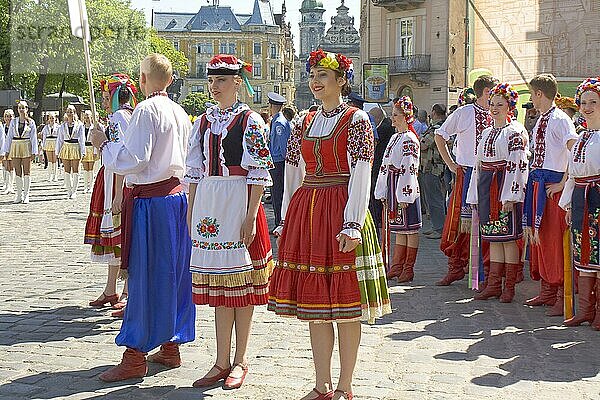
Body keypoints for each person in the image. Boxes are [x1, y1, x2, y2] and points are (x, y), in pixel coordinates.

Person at [268, 49, 391, 400]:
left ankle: (345, 386)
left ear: (341, 80)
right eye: (313, 75)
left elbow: (362, 171)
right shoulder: (303, 121)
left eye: (323, 75)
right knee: (317, 309)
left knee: (345, 304)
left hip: (340, 209)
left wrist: (353, 222)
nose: (315, 81)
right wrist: (286, 218)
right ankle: (321, 384)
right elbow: (293, 172)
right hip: (308, 211)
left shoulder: (356, 120)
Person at [89, 53, 195, 382]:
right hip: (177, 200)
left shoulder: (146, 110)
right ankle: (170, 343)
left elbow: (135, 159)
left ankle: (135, 353)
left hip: (153, 202)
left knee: (146, 277)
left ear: (143, 77)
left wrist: (103, 145)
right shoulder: (180, 112)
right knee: (173, 274)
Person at [186, 54, 274, 390]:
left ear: (237, 83)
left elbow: (258, 173)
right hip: (210, 205)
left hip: (237, 203)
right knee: (221, 290)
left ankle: (240, 359)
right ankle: (220, 360)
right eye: (211, 80)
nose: (214, 86)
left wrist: (251, 217)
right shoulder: (203, 122)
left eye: (221, 80)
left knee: (242, 290)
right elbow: (194, 173)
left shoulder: (249, 120)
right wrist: (191, 212)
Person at [466, 83, 529, 303]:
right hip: (487, 185)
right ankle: (493, 284)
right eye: (492, 104)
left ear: (509, 107)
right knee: (493, 237)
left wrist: (511, 196)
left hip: (503, 184)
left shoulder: (515, 132)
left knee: (508, 238)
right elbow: (478, 164)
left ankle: (508, 286)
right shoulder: (486, 132)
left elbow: (518, 164)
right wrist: (474, 194)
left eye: (499, 104)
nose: (494, 108)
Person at [434, 75, 498, 286]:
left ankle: (489, 270)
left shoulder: (499, 114)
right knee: (462, 223)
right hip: (468, 172)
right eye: (491, 92)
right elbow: (440, 135)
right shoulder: (464, 112)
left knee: (491, 220)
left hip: (491, 173)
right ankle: (457, 266)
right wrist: (451, 165)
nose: (495, 97)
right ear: (482, 92)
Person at [523, 74, 578, 317]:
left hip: (554, 186)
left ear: (538, 94)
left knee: (555, 240)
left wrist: (563, 182)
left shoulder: (561, 120)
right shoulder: (541, 120)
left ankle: (560, 292)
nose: (532, 100)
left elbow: (574, 151)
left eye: (532, 94)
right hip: (539, 183)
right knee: (542, 238)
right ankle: (547, 288)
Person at [84, 73, 136, 318]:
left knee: (121, 237)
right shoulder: (126, 115)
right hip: (111, 178)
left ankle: (126, 291)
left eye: (106, 97)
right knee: (115, 238)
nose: (104, 102)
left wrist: (117, 194)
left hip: (117, 181)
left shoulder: (119, 117)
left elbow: (120, 157)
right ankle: (110, 289)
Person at [560, 77, 600, 328]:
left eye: (593, 102)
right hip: (581, 197)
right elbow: (573, 172)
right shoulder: (582, 136)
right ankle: (585, 309)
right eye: (583, 102)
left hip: (598, 196)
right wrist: (567, 204)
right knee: (583, 250)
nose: (586, 107)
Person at [375, 96, 422, 283]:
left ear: (406, 116)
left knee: (410, 228)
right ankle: (396, 265)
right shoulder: (395, 137)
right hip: (394, 186)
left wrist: (405, 194)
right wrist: (383, 190)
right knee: (399, 229)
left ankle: (408, 268)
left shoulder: (410, 138)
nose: (392, 118)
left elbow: (410, 165)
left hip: (405, 187)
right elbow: (385, 164)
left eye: (396, 115)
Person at [420, 104, 448, 239]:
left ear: (434, 112)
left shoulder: (437, 128)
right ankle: (436, 225)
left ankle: (439, 228)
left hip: (432, 167)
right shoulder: (442, 126)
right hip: (435, 167)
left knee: (434, 198)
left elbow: (424, 145)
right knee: (433, 198)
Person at [2, 101, 38, 203]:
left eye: (23, 108)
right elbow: (9, 137)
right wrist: (7, 150)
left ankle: (26, 194)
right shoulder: (14, 122)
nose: (21, 110)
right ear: (17, 109)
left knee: (27, 171)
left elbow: (33, 137)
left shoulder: (31, 122)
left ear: (27, 109)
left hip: (26, 145)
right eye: (19, 108)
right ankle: (18, 194)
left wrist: (34, 152)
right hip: (16, 145)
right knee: (18, 171)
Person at [267, 91, 291, 229]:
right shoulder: (278, 121)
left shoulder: (279, 123)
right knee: (276, 193)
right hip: (277, 161)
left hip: (278, 162)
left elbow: (283, 146)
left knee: (278, 193)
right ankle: (279, 220)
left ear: (272, 106)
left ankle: (279, 222)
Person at [368, 107, 394, 231]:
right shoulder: (383, 126)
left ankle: (378, 218)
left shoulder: (384, 128)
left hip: (380, 165)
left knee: (377, 194)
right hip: (379, 165)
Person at [56, 104, 86, 199]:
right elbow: (60, 139)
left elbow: (82, 139)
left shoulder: (80, 125)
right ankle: (69, 190)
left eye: (71, 112)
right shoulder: (62, 126)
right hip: (66, 147)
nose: (69, 113)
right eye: (68, 112)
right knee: (67, 170)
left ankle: (74, 191)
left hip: (75, 146)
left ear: (74, 113)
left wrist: (83, 151)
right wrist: (57, 151)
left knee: (75, 169)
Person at [81, 110, 97, 193]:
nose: (87, 119)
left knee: (91, 168)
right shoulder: (81, 127)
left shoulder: (94, 127)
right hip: (84, 147)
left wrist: (95, 151)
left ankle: (91, 185)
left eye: (88, 117)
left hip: (91, 147)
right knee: (85, 168)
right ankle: (85, 185)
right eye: (85, 117)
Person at [41, 113, 60, 182]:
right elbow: (44, 136)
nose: (51, 119)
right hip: (48, 142)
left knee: (55, 160)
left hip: (55, 142)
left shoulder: (58, 127)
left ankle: (55, 175)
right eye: (50, 118)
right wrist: (43, 145)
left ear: (55, 118)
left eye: (53, 118)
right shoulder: (46, 127)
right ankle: (49, 176)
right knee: (50, 160)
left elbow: (59, 136)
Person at [1, 109, 15, 193]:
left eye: (10, 116)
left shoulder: (14, 127)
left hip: (13, 148)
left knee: (11, 167)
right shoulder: (2, 127)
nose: (8, 118)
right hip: (4, 149)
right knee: (5, 166)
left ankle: (11, 186)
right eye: (6, 116)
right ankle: (6, 185)